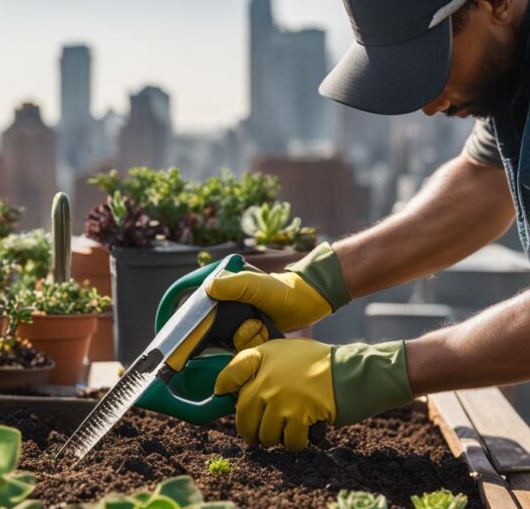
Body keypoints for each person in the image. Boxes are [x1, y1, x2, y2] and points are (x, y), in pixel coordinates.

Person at [208, 0, 530, 452]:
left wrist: (369, 375)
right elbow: (484, 182)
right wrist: (314, 282)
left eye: (433, 66)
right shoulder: (509, 63)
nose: (429, 105)